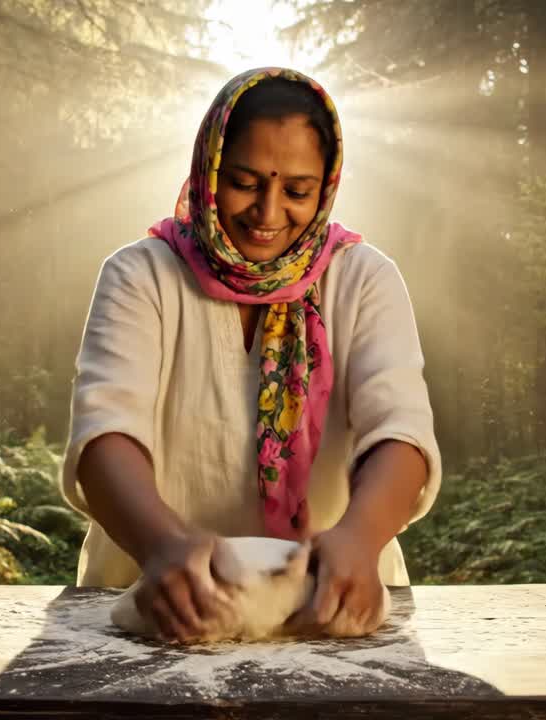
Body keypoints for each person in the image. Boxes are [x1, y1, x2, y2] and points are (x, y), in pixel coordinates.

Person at [60, 67, 441, 642]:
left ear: (326, 186)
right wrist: (161, 545)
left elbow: (401, 433)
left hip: (335, 614)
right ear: (209, 169)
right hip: (155, 605)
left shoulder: (363, 281)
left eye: (296, 190)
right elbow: (105, 431)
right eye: (243, 181)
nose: (267, 213)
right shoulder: (141, 276)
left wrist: (358, 539)